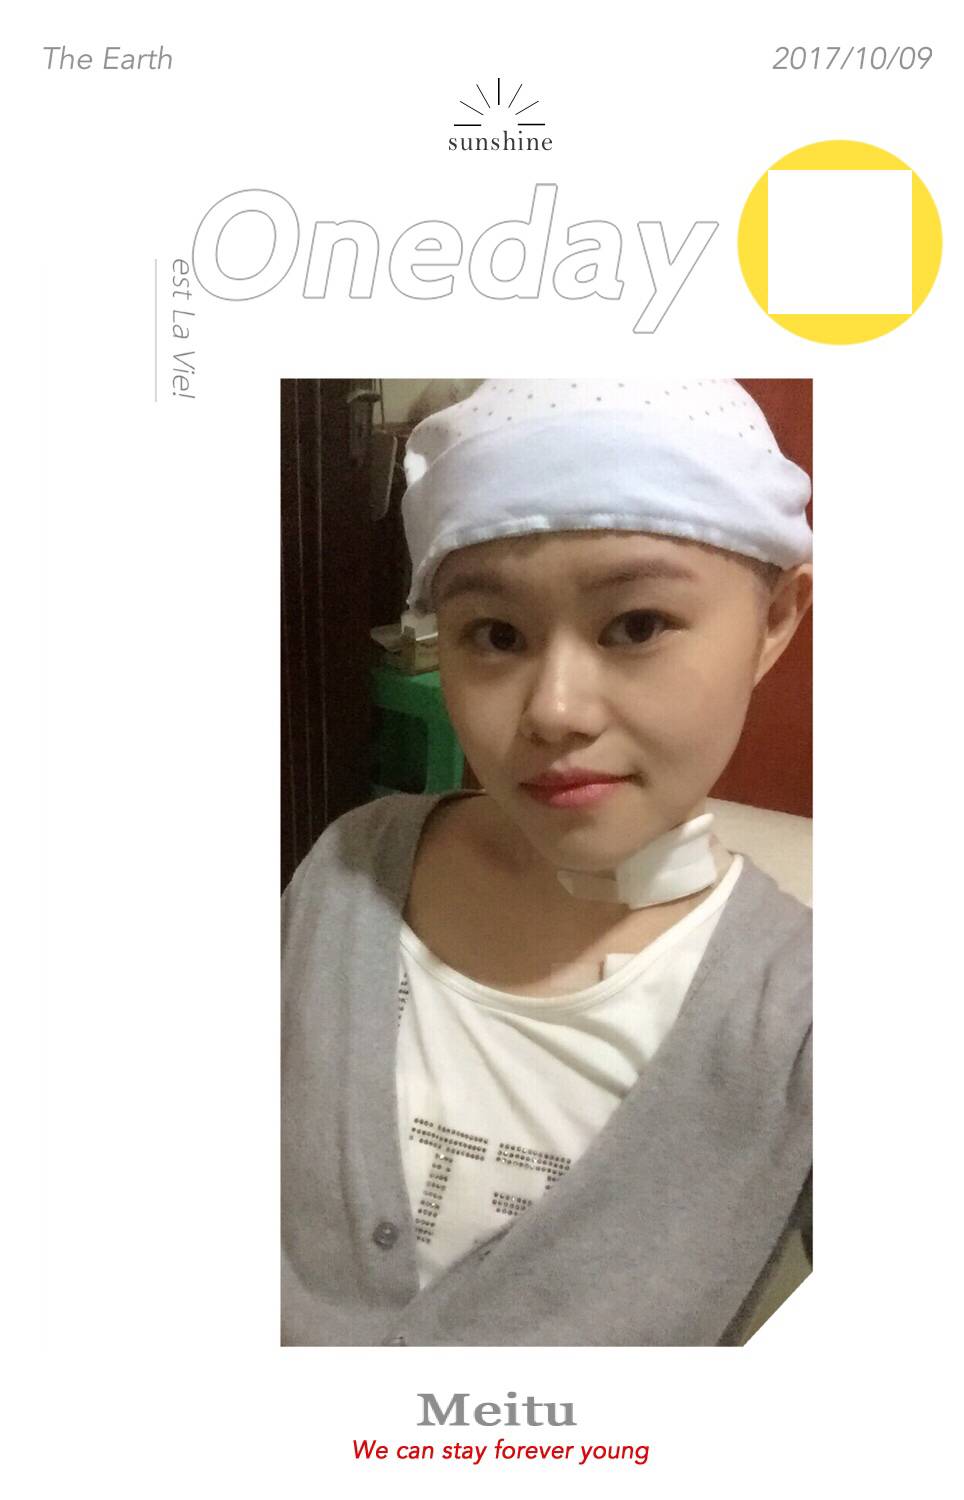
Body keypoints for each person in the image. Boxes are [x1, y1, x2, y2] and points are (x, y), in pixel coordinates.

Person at [282, 378, 813, 1346]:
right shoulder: (348, 872)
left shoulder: (799, 1014)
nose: (554, 710)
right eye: (495, 635)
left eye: (636, 625)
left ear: (775, 618)